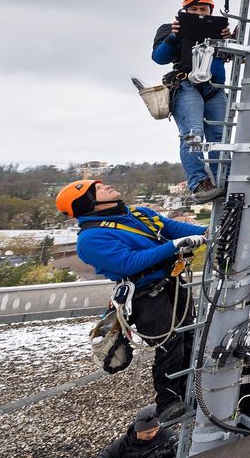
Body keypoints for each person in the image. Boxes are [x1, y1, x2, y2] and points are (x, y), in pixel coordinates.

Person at [57, 179, 206, 421]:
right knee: (170, 343)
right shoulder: (91, 238)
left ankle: (191, 390)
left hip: (171, 282)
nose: (106, 186)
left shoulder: (136, 213)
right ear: (89, 203)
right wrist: (173, 246)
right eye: (98, 189)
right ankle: (168, 401)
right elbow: (130, 262)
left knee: (189, 334)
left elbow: (170, 227)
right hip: (143, 293)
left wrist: (206, 233)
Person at [152, 0, 231, 203]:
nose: (198, 13)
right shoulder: (171, 29)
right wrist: (174, 36)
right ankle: (200, 183)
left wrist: (228, 40)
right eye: (193, 9)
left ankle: (226, 180)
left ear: (210, 11)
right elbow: (159, 57)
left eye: (203, 9)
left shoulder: (219, 32)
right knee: (193, 135)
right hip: (186, 84)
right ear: (185, 11)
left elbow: (234, 57)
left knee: (219, 137)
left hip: (214, 88)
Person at [97, 404, 177, 458]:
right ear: (138, 431)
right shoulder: (124, 443)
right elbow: (105, 455)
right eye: (148, 432)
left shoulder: (167, 434)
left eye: (156, 429)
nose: (153, 434)